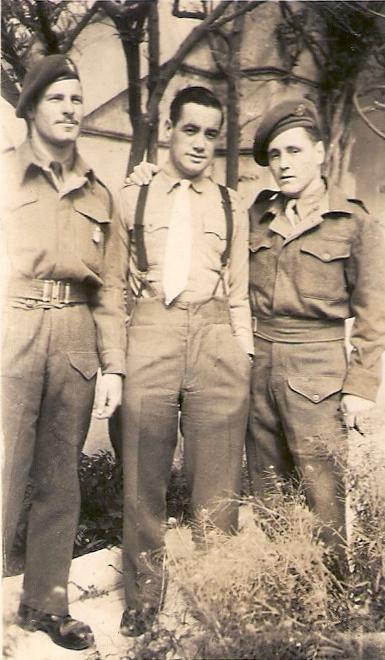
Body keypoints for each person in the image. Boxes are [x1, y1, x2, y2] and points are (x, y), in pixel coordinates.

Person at [114, 86, 253, 636]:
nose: (199, 143)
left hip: (216, 334)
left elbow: (239, 290)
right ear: (168, 129)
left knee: (217, 482)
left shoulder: (230, 203)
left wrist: (240, 352)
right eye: (189, 129)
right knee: (141, 475)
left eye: (211, 134)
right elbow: (112, 280)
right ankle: (143, 597)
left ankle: (216, 595)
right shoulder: (134, 196)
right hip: (151, 330)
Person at [1, 55, 123, 651]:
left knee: (59, 480)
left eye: (77, 98)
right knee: (1, 473)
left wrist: (114, 366)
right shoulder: (3, 176)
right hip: (13, 328)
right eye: (57, 99)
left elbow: (113, 288)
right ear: (29, 109)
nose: (71, 109)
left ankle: (46, 605)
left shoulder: (100, 192)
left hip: (75, 336)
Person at [246, 96, 385, 576]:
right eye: (274, 155)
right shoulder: (257, 215)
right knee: (269, 489)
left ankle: (330, 600)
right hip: (260, 364)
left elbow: (375, 313)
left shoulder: (354, 223)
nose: (284, 164)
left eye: (293, 151)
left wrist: (360, 387)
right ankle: (285, 591)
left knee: (322, 491)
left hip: (319, 370)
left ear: (319, 151)